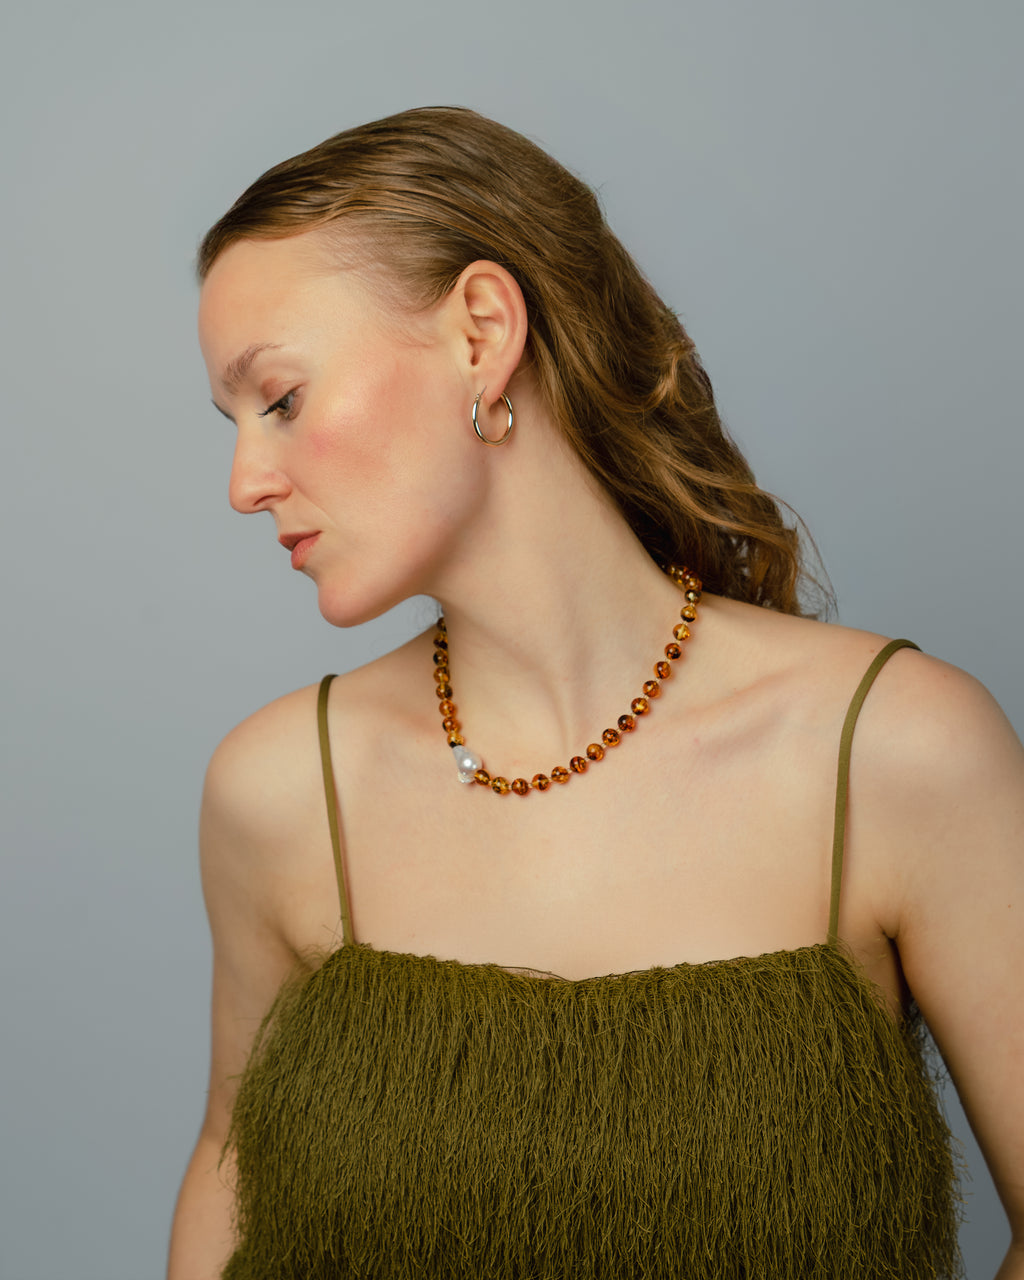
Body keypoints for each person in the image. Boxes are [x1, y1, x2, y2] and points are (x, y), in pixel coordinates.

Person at [168, 107, 1023, 1279]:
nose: (246, 480)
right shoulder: (278, 790)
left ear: (481, 330)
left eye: (280, 398)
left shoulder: (898, 751)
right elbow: (230, 1166)